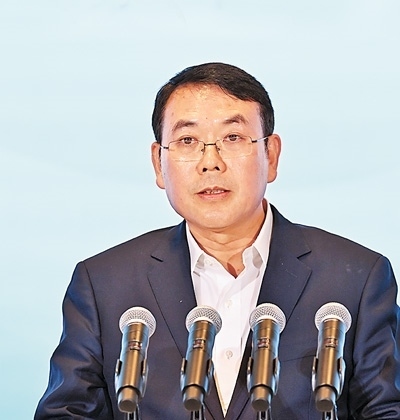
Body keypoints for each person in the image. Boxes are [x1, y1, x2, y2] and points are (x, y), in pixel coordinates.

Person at [35, 62, 400, 419]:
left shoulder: (355, 279)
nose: (211, 162)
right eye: (188, 140)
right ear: (159, 164)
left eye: (233, 138)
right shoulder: (104, 285)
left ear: (271, 155)